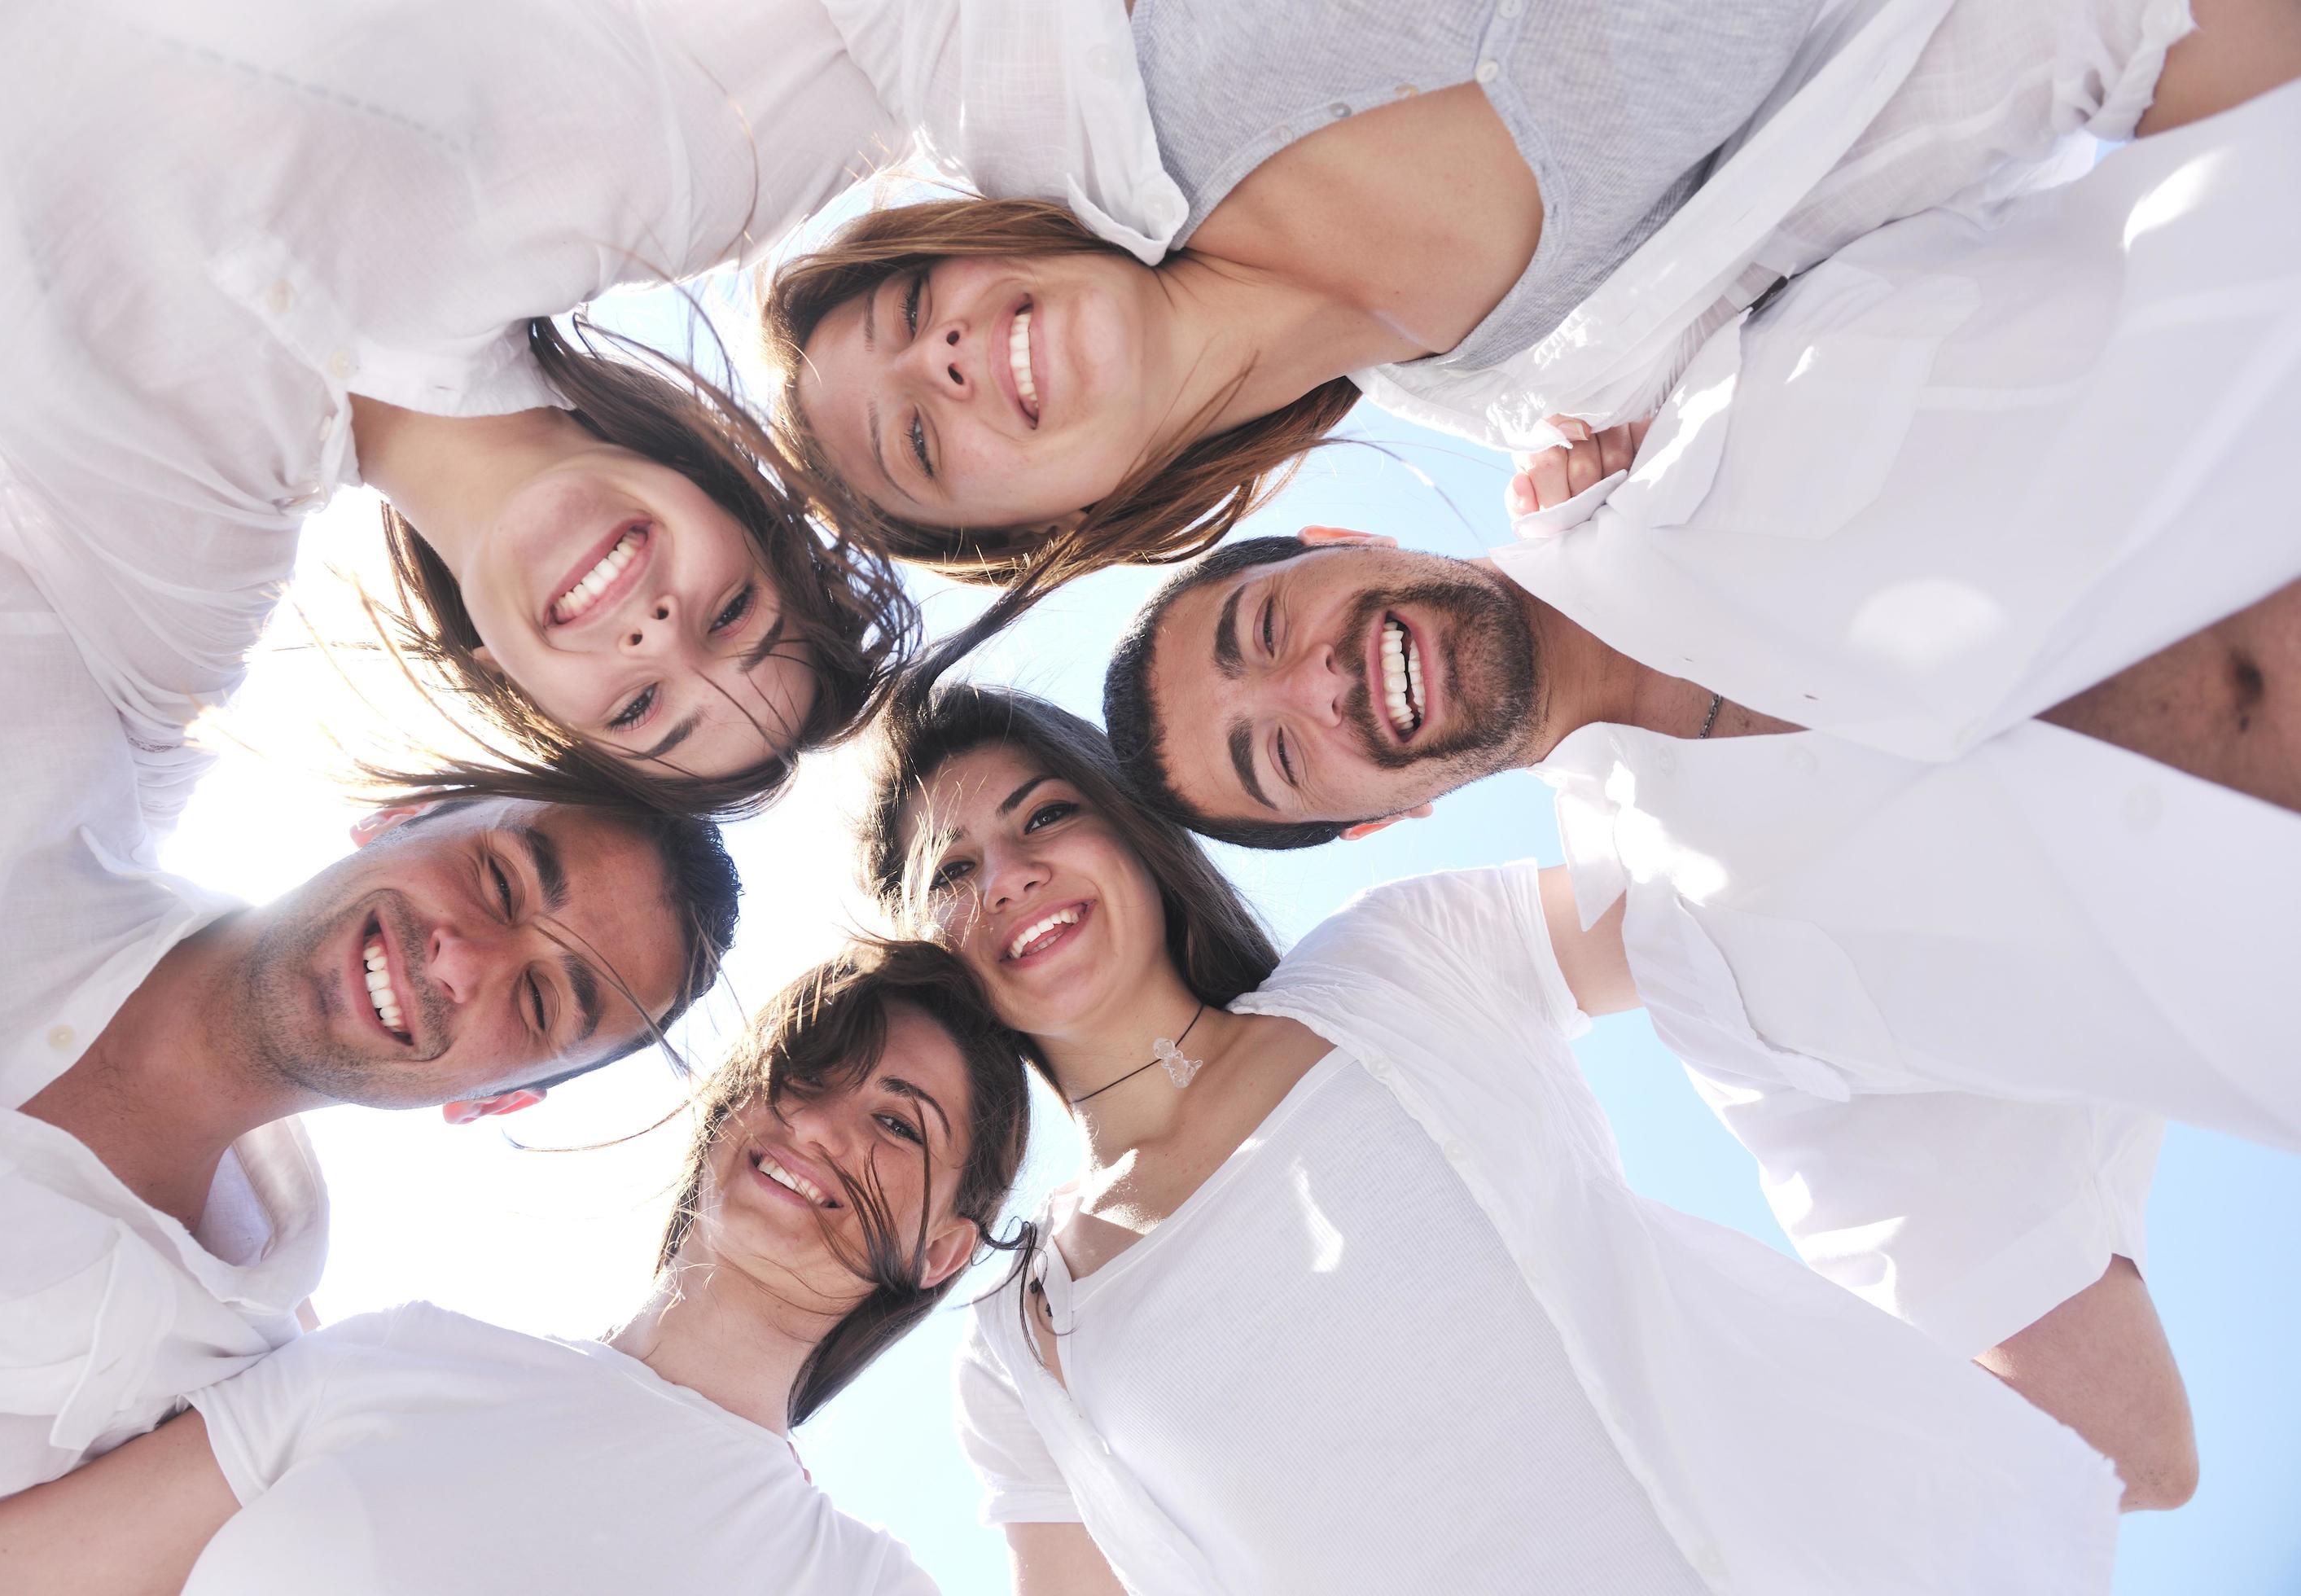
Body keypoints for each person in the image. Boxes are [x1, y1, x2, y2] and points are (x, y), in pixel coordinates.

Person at [1098, 76, 2300, 1388]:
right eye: (1277, 756)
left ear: (1343, 542)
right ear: (1384, 819)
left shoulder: (1680, 356)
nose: (1313, 686)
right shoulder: (1729, 996)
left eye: (1264, 629)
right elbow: (2094, 1408)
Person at [855, 682, 2169, 1595]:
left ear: (1130, 834)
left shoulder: (1397, 960)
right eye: (951, 872)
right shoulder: (1024, 1346)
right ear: (938, 956)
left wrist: (1610, 555)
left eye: (1041, 815)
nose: (1010, 874)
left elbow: (1733, 883)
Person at [0, 0, 1174, 816]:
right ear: (731, 502)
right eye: (735, 612)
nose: (659, 633)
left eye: (639, 709)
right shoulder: (675, 177)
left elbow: (51, 825)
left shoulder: (183, 566)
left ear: (516, 695)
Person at [0, 372, 741, 1537]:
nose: (464, 961)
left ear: (491, 1104)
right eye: (500, 879)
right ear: (398, 821)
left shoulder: (196, 1397)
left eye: (544, 1000)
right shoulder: (30, 697)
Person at [758, 0, 2301, 586]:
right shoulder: (1550, 375)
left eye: (914, 312)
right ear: (1063, 516)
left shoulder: (1169, 65)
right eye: (919, 441)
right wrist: (1658, 466)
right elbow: (1956, 107)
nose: (946, 358)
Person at [0, 940, 1034, 1595]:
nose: (827, 1125)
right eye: (814, 1074)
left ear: (941, 1251)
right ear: (740, 1105)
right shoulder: (402, 1354)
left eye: (901, 1126)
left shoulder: (855, 1584)